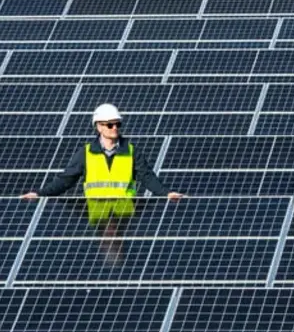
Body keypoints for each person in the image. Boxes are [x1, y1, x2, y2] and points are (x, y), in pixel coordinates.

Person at [22, 104, 182, 261]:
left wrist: (166, 193)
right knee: (97, 263)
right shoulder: (86, 153)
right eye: (110, 124)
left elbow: (148, 177)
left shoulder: (132, 151)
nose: (115, 128)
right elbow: (65, 180)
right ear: (99, 127)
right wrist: (40, 193)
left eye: (118, 124)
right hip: (98, 216)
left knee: (128, 262)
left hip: (124, 216)